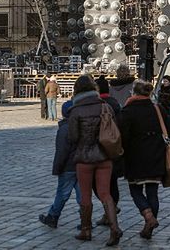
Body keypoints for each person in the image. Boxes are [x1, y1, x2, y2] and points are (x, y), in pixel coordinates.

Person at [68, 75, 122, 246]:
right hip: (104, 156)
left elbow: (73, 137)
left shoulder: (76, 110)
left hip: (84, 158)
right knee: (105, 194)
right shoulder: (105, 107)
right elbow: (113, 130)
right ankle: (114, 228)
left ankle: (86, 230)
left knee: (85, 195)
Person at [120, 80, 170, 239]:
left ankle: (148, 217)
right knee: (153, 192)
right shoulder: (157, 108)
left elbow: (123, 135)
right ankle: (148, 227)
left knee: (135, 190)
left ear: (134, 93)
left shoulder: (128, 110)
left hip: (135, 155)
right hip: (156, 154)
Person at [39, 99, 81, 228]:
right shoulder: (81, 125)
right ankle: (85, 220)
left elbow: (61, 151)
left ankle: (53, 216)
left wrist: (57, 168)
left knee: (62, 193)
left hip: (68, 166)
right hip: (81, 165)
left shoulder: (64, 129)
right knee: (82, 195)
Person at [94, 75, 122, 227]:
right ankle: (110, 211)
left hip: (101, 148)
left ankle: (109, 209)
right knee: (113, 182)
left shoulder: (99, 104)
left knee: (96, 183)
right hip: (114, 147)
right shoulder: (115, 103)